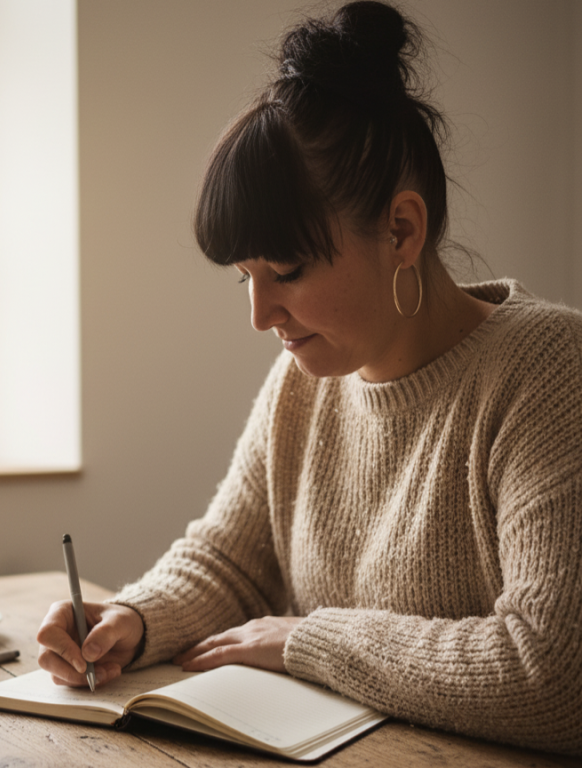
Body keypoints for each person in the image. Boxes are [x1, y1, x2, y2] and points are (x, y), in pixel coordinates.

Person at [37, 0, 582, 755]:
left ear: (401, 231)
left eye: (286, 272)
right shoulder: (305, 379)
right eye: (245, 278)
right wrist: (136, 618)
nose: (262, 315)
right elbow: (231, 558)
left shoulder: (549, 373)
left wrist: (310, 641)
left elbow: (554, 674)